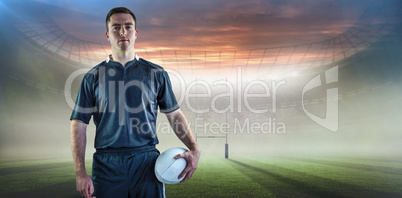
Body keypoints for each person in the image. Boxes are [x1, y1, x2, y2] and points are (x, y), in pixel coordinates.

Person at [70, 7, 200, 198]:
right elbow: (78, 124)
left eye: (128, 26)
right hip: (107, 165)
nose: (122, 32)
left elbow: (174, 115)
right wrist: (80, 172)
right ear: (107, 34)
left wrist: (194, 148)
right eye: (116, 27)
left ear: (136, 32)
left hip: (146, 162)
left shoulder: (156, 73)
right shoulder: (93, 77)